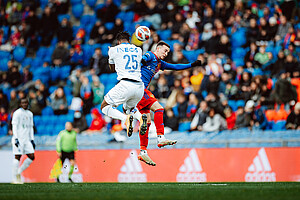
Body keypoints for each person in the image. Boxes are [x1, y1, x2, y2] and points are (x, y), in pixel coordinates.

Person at [136, 41, 202, 166]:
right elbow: (142, 59)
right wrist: (142, 61)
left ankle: (143, 151)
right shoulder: (151, 55)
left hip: (139, 93)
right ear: (158, 48)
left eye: (167, 52)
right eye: (164, 50)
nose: (166, 54)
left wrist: (192, 64)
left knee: (147, 122)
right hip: (139, 89)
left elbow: (176, 67)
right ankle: (160, 138)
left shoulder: (160, 63)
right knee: (159, 108)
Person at [100, 31, 147, 140]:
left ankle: (124, 119)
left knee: (104, 107)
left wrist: (110, 54)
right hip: (139, 86)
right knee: (128, 108)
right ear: (129, 41)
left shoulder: (113, 50)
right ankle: (140, 118)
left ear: (118, 41)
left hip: (126, 84)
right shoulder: (138, 50)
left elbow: (112, 69)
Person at [11, 97, 35, 184]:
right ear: (20, 104)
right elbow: (14, 126)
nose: (24, 104)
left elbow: (31, 127)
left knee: (32, 156)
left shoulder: (30, 114)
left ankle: (18, 172)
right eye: (23, 103)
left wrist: (32, 139)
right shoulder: (17, 113)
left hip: (27, 139)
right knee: (18, 156)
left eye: (26, 103)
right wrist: (16, 138)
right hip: (18, 139)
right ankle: (14, 178)